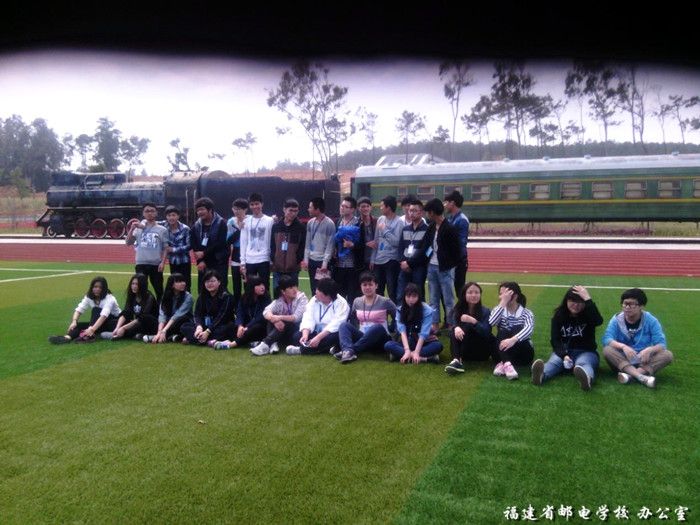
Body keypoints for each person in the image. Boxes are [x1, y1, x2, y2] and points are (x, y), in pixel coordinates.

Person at [531, 285, 603, 390]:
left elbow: (598, 321)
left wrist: (588, 299)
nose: (576, 305)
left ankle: (587, 378)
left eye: (580, 302)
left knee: (583, 363)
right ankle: (541, 375)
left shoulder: (589, 315)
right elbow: (555, 340)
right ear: (566, 301)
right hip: (565, 351)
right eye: (572, 301)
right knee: (554, 362)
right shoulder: (558, 316)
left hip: (586, 351)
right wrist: (564, 355)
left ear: (585, 303)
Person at [602, 288, 673, 388]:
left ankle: (630, 376)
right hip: (623, 360)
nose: (627, 307)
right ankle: (641, 377)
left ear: (641, 306)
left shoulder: (651, 320)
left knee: (667, 355)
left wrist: (650, 350)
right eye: (625, 304)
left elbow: (661, 344)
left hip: (643, 360)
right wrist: (623, 347)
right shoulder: (617, 319)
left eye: (632, 304)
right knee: (607, 350)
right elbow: (607, 339)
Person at [336, 271, 397, 364]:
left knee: (377, 327)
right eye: (364, 285)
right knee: (344, 325)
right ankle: (348, 350)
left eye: (370, 284)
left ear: (376, 286)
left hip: (380, 339)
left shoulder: (385, 301)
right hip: (363, 336)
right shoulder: (357, 301)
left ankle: (349, 351)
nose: (367, 287)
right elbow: (353, 319)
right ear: (360, 286)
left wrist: (394, 333)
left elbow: (398, 318)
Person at [420, 198, 460, 332]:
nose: (426, 215)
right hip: (431, 266)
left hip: (445, 268)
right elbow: (425, 244)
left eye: (427, 212)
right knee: (433, 298)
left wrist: (449, 265)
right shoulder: (431, 227)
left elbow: (456, 251)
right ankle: (435, 324)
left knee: (448, 299)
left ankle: (451, 324)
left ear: (432, 212)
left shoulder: (449, 228)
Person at [285, 278, 349, 356]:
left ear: (327, 295)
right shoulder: (314, 300)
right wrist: (305, 334)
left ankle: (302, 350)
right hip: (315, 331)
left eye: (318, 291)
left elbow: (337, 324)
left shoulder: (341, 303)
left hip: (328, 333)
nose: (315, 292)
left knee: (335, 337)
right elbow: (308, 316)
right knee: (297, 337)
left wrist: (318, 338)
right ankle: (329, 348)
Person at [49, 276, 121, 344]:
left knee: (96, 310)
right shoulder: (89, 297)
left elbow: (104, 315)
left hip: (115, 323)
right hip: (101, 323)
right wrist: (74, 321)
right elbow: (79, 309)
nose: (97, 289)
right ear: (92, 287)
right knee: (77, 325)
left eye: (100, 287)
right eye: (95, 287)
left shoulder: (110, 298)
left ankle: (89, 336)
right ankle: (67, 338)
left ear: (104, 289)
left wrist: (92, 329)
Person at [445, 282, 497, 375]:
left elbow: (487, 333)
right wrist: (456, 327)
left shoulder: (485, 311)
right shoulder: (457, 309)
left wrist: (474, 321)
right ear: (464, 295)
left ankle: (457, 361)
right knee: (454, 331)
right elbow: (451, 324)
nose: (474, 295)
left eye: (477, 292)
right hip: (464, 351)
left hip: (481, 352)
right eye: (470, 292)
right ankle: (456, 360)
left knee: (469, 326)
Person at [384, 283, 443, 364]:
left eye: (414, 296)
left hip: (423, 342)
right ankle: (426, 359)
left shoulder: (427, 310)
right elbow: (402, 332)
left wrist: (417, 352)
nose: (411, 299)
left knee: (438, 346)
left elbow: (424, 333)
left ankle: (400, 355)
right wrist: (407, 350)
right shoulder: (400, 310)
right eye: (408, 296)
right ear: (404, 297)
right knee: (388, 345)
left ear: (418, 297)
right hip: (406, 342)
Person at [250, 275, 309, 356]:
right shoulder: (280, 300)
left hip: (297, 331)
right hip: (283, 331)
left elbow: (296, 318)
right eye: (290, 288)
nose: (294, 289)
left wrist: (279, 317)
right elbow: (266, 311)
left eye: (295, 286)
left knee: (284, 321)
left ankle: (265, 344)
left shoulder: (302, 298)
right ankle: (272, 344)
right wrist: (274, 319)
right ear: (283, 291)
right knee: (271, 320)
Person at [488, 282, 535, 380]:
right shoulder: (498, 310)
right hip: (501, 351)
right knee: (502, 331)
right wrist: (503, 303)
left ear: (515, 296)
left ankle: (504, 363)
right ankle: (507, 364)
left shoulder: (527, 313)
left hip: (522, 354)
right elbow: (492, 322)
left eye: (505, 294)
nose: (502, 297)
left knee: (516, 328)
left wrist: (513, 340)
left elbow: (529, 329)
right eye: (501, 294)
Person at [125, 202, 168, 302]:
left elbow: (166, 248)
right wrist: (131, 229)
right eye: (147, 211)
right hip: (141, 263)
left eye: (152, 211)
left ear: (156, 213)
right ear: (143, 213)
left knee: (159, 290)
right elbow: (128, 242)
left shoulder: (162, 230)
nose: (149, 213)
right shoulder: (138, 228)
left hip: (156, 264)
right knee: (140, 289)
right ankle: (142, 308)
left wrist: (163, 262)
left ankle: (160, 309)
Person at [214, 276, 271, 349]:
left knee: (255, 328)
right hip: (245, 326)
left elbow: (260, 317)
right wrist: (240, 326)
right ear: (251, 286)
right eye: (259, 285)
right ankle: (218, 339)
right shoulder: (245, 297)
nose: (262, 287)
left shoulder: (266, 298)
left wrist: (247, 327)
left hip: (259, 327)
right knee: (230, 326)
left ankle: (231, 345)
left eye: (263, 284)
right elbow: (239, 313)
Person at [180, 269, 235, 346]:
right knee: (184, 326)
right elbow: (197, 314)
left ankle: (194, 339)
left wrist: (208, 331)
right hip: (205, 325)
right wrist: (199, 327)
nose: (209, 284)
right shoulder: (202, 296)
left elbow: (221, 317)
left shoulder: (227, 297)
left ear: (219, 282)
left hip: (220, 325)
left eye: (212, 281)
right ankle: (209, 341)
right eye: (207, 281)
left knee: (230, 328)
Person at [367, 195, 403, 302]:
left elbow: (397, 243)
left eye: (382, 206)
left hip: (391, 261)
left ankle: (394, 312)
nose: (380, 208)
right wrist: (373, 259)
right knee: (378, 290)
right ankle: (380, 311)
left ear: (389, 207)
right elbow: (376, 241)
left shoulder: (399, 222)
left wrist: (385, 231)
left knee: (392, 290)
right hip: (378, 261)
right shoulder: (381, 219)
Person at [191, 197, 229, 294]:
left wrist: (204, 254)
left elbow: (221, 243)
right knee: (203, 289)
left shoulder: (221, 223)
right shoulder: (196, 225)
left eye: (202, 209)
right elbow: (194, 243)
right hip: (202, 263)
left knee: (220, 289)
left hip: (218, 261)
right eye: (198, 210)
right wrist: (200, 261)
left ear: (210, 210)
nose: (199, 212)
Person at [270, 198, 306, 295]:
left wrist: (296, 260)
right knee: (277, 295)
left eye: (296, 211)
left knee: (292, 296)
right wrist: (274, 258)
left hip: (293, 269)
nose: (293, 213)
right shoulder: (276, 226)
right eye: (291, 210)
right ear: (284, 209)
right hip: (277, 268)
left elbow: (302, 247)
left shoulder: (301, 228)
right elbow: (272, 245)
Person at [240, 192, 274, 292]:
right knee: (249, 288)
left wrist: (271, 260)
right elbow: (243, 242)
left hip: (264, 259)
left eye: (257, 204)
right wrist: (243, 262)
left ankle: (265, 303)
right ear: (249, 206)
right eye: (252, 204)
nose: (255, 206)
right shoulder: (246, 221)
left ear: (262, 204)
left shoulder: (269, 220)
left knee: (265, 287)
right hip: (249, 259)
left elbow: (271, 241)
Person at [146, 273, 194, 343]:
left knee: (182, 319)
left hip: (179, 322)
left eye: (183, 281)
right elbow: (162, 314)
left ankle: (157, 337)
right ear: (172, 285)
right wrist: (159, 332)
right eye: (179, 281)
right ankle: (171, 337)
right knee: (146, 318)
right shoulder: (166, 296)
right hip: (167, 323)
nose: (183, 283)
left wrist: (164, 331)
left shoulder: (188, 297)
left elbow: (177, 315)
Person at [396, 198, 428, 302]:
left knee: (418, 295)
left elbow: (424, 251)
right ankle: (401, 312)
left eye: (414, 211)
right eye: (410, 210)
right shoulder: (405, 229)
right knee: (401, 294)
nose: (411, 213)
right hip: (404, 266)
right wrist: (402, 262)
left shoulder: (427, 229)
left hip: (418, 267)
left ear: (421, 212)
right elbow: (400, 247)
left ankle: (419, 313)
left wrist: (409, 263)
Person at [302, 197, 335, 295]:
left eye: (310, 207)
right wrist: (306, 260)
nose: (308, 209)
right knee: (313, 289)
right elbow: (307, 243)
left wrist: (325, 263)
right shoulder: (310, 223)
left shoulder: (330, 224)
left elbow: (330, 245)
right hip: (312, 260)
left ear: (317, 209)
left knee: (324, 290)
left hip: (322, 262)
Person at [110, 273, 159, 340]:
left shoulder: (149, 297)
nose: (134, 286)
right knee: (114, 322)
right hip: (136, 321)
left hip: (149, 324)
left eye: (137, 284)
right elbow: (126, 312)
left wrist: (123, 328)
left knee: (136, 326)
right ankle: (119, 332)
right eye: (133, 284)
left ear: (142, 285)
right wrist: (117, 327)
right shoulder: (132, 295)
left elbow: (142, 317)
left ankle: (120, 334)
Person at [333, 195, 362, 304]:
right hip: (339, 264)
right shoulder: (338, 222)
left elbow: (363, 243)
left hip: (353, 265)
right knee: (339, 295)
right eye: (342, 206)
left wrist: (352, 245)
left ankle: (352, 314)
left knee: (352, 295)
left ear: (353, 209)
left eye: (346, 207)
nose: (342, 208)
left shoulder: (359, 223)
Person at [444, 190, 469, 298]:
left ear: (452, 203)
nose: (445, 205)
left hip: (458, 261)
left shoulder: (461, 220)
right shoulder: (450, 218)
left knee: (460, 289)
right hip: (451, 259)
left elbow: (461, 243)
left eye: (446, 202)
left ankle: (464, 308)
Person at [226, 197, 248, 308]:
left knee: (247, 283)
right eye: (234, 208)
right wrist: (239, 229)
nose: (236, 211)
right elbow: (228, 240)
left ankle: (248, 307)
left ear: (245, 210)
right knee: (236, 284)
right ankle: (237, 308)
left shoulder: (250, 220)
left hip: (248, 255)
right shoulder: (231, 222)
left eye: (239, 209)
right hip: (236, 254)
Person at [357, 196, 376, 272]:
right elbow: (354, 242)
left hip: (375, 259)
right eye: (363, 206)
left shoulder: (376, 222)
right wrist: (365, 244)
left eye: (368, 206)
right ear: (358, 208)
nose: (366, 209)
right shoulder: (356, 223)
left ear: (371, 208)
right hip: (361, 259)